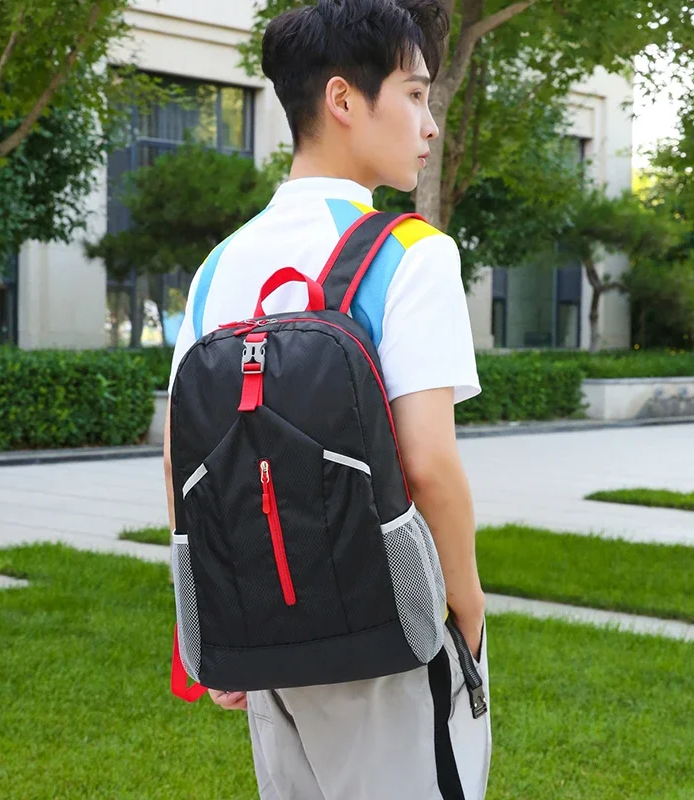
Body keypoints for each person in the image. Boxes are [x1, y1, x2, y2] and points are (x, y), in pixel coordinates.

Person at [163, 0, 490, 796]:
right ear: (344, 99)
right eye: (415, 94)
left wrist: (213, 627)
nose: (430, 124)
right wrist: (467, 610)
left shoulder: (218, 266)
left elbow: (180, 461)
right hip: (395, 636)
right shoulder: (411, 253)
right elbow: (427, 463)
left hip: (269, 637)